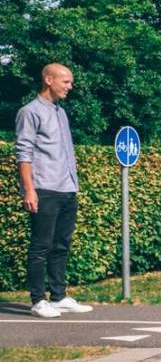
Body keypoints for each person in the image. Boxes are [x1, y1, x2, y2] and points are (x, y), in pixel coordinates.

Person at [15, 63, 90, 318]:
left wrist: (73, 186)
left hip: (67, 188)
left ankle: (58, 297)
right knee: (41, 246)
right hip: (44, 188)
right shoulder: (30, 112)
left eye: (70, 82)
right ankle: (38, 301)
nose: (70, 86)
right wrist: (29, 190)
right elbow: (23, 153)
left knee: (61, 245)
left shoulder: (60, 112)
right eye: (66, 81)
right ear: (49, 80)